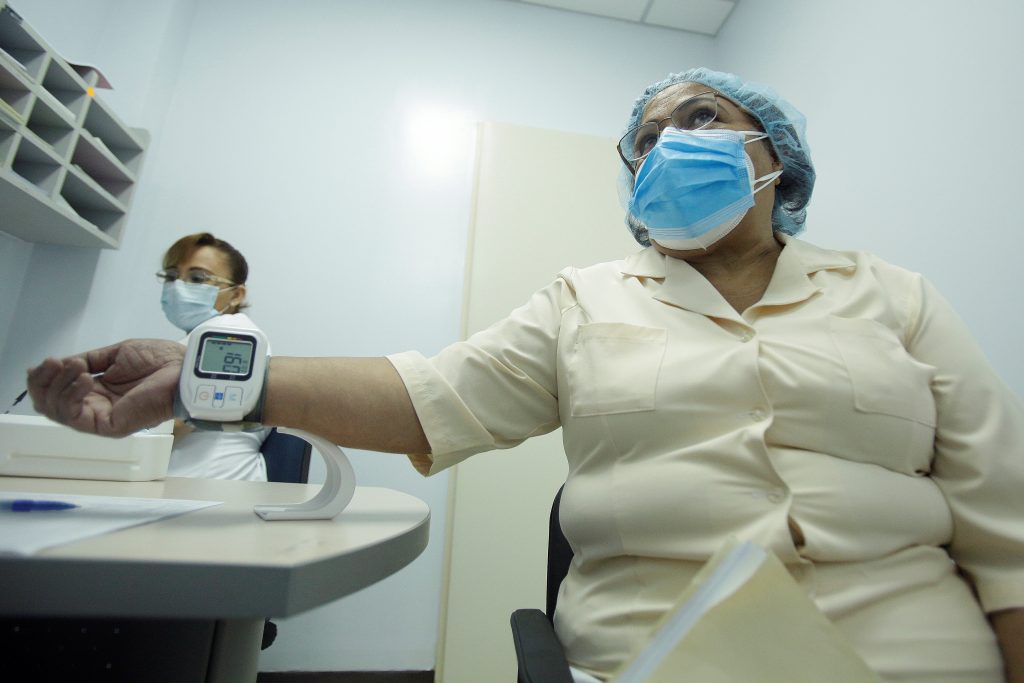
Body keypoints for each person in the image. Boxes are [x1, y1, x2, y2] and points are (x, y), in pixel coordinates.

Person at [26, 68, 1024, 682]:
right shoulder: (586, 296)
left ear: (779, 162)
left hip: (917, 655)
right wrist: (210, 373)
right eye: (647, 139)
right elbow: (427, 393)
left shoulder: (896, 296)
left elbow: (1004, 526)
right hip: (661, 654)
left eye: (706, 116)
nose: (671, 143)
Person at [158, 232, 270, 481]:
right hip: (180, 485)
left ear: (236, 294)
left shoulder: (233, 334)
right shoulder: (197, 339)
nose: (178, 286)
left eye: (197, 278)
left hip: (209, 486)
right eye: (172, 276)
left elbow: (181, 420)